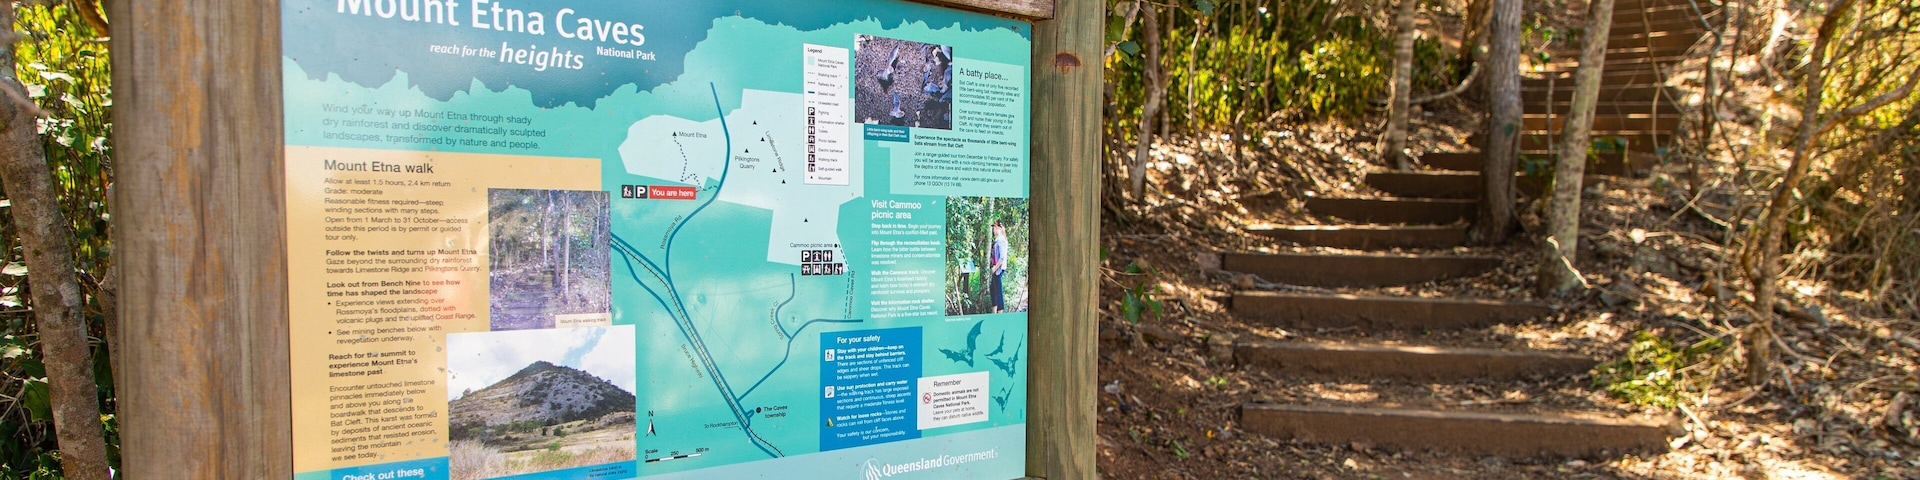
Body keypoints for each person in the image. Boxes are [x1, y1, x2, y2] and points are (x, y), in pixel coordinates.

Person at [989, 221, 1010, 313]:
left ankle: (1000, 313)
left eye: (994, 228)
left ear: (998, 228)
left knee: (998, 291)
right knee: (993, 290)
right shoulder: (998, 240)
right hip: (996, 269)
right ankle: (994, 313)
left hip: (998, 269)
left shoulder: (1001, 240)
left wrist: (995, 267)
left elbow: (1002, 257)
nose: (993, 230)